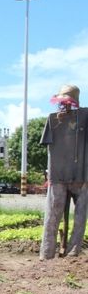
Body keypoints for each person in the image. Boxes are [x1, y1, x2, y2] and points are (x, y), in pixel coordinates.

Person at [39, 84, 88, 260]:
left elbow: (48, 149)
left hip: (71, 175)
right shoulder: (81, 116)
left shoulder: (79, 116)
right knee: (75, 216)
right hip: (75, 176)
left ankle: (49, 253)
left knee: (55, 215)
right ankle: (68, 251)